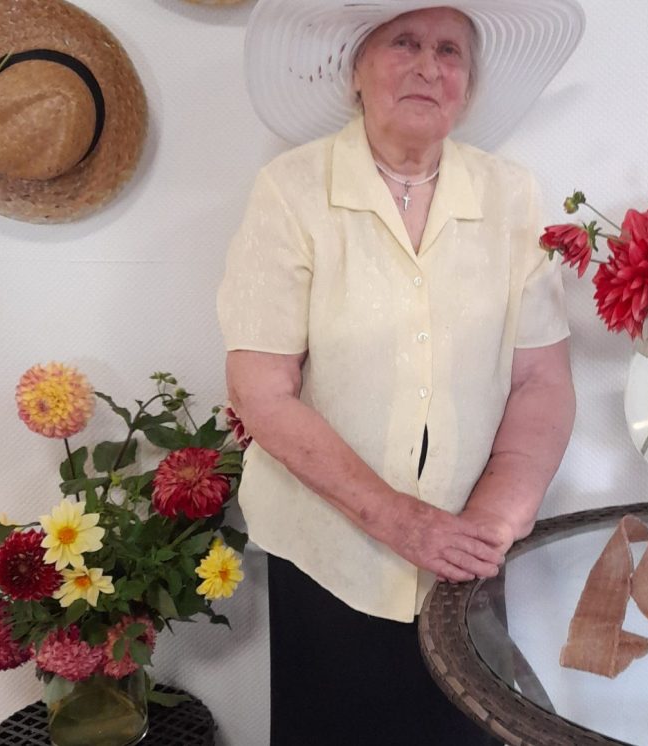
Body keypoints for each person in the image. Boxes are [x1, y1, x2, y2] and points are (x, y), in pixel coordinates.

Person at [218, 2, 584, 743]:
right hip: (330, 553)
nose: (427, 66)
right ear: (355, 70)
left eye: (450, 51)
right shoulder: (293, 190)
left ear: (468, 85)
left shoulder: (512, 197)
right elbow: (262, 391)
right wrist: (400, 521)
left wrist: (491, 524)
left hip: (466, 559)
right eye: (404, 43)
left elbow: (541, 382)